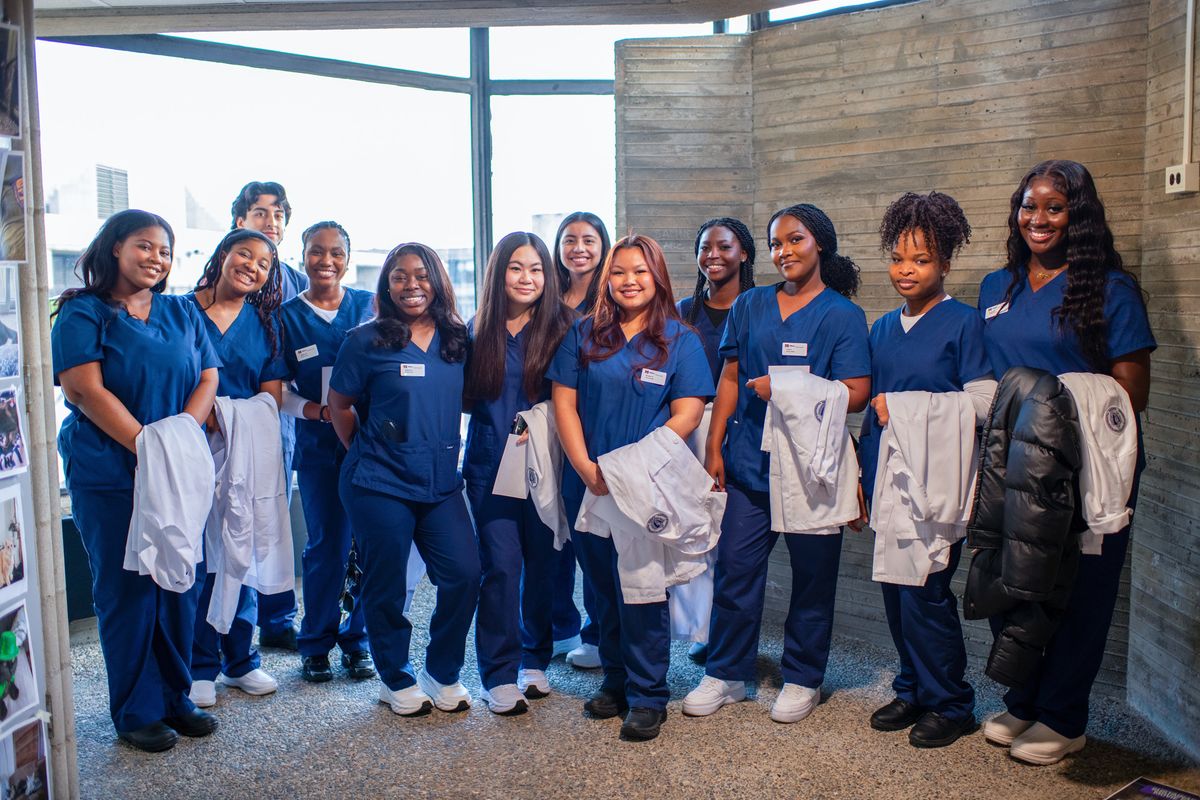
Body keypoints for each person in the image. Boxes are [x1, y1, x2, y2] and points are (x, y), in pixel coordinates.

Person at [976, 160, 1154, 765]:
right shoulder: (995, 288)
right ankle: (1024, 700)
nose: (1039, 218)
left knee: (1079, 595)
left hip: (1087, 470)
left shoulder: (1108, 289)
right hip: (1011, 467)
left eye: (1055, 207)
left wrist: (1052, 407)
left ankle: (1063, 716)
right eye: (1029, 206)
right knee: (1012, 581)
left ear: (1078, 215)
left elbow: (1129, 393)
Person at [683, 203, 870, 724]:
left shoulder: (844, 316)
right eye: (775, 243)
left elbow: (856, 393)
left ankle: (803, 677)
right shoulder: (751, 305)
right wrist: (714, 444)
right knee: (737, 573)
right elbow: (728, 375)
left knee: (813, 580)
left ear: (820, 245)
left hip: (814, 467)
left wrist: (785, 387)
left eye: (796, 240)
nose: (784, 251)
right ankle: (726, 674)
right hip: (748, 464)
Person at [52, 209, 220, 752]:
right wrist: (148, 446)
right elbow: (84, 390)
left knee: (176, 581)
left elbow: (209, 376)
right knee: (127, 589)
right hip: (110, 470)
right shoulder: (83, 312)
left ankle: (177, 697)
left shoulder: (181, 312)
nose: (157, 258)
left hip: (173, 468)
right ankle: (136, 710)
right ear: (116, 249)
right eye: (145, 246)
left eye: (165, 251)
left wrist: (177, 439)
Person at [548, 233, 714, 741]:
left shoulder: (679, 339)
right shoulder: (584, 334)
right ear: (607, 279)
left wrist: (635, 463)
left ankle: (648, 695)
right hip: (591, 484)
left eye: (640, 271)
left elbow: (689, 410)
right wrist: (583, 466)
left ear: (657, 276)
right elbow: (564, 403)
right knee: (602, 589)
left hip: (646, 487)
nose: (629, 281)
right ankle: (616, 681)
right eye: (619, 272)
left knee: (642, 590)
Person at [858, 191, 993, 748]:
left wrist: (908, 409)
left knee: (927, 590)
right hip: (889, 478)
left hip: (938, 483)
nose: (906, 270)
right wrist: (862, 483)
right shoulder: (883, 328)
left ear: (944, 263)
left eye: (921, 259)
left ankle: (951, 702)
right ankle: (912, 686)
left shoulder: (965, 323)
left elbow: (984, 402)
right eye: (898, 258)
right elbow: (873, 417)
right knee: (895, 588)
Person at [328, 242, 480, 717]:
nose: (410, 285)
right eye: (399, 276)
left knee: (464, 574)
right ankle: (394, 678)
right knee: (387, 583)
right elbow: (339, 406)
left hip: (439, 480)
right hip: (378, 481)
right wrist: (369, 451)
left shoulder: (458, 339)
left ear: (437, 279)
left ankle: (441, 671)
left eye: (420, 275)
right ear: (386, 283)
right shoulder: (365, 340)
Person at [464, 231, 574, 715]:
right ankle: (498, 673)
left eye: (535, 269)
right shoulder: (475, 330)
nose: (526, 278)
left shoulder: (566, 328)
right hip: (490, 467)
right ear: (498, 274)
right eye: (515, 268)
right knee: (502, 568)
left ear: (548, 276)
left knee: (544, 565)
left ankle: (535, 658)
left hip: (548, 464)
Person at [186, 228, 287, 708]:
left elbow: (271, 395)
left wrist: (230, 420)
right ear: (223, 254)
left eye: (264, 262)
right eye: (244, 254)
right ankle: (199, 664)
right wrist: (205, 418)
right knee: (202, 557)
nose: (253, 265)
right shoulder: (182, 312)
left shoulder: (265, 324)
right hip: (191, 447)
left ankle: (240, 661)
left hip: (242, 450)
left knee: (242, 547)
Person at [278, 221, 377, 684]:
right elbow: (277, 390)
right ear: (303, 256)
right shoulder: (286, 317)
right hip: (318, 448)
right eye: (316, 252)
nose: (326, 261)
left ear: (348, 258)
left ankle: (356, 642)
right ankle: (315, 642)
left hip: (368, 446)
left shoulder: (367, 306)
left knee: (366, 543)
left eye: (336, 252)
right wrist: (317, 411)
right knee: (326, 547)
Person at [676, 217, 757, 664]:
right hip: (686, 432)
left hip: (737, 430)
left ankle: (727, 636)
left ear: (744, 253)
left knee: (731, 541)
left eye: (724, 247)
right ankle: (703, 630)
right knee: (696, 535)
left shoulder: (757, 307)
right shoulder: (684, 310)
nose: (713, 256)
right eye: (705, 247)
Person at [230, 180, 307, 651]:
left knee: (274, 511)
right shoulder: (221, 273)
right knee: (237, 515)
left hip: (282, 409)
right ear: (240, 220)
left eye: (278, 214)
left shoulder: (296, 280)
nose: (271, 222)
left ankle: (279, 619)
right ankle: (237, 624)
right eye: (260, 213)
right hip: (234, 411)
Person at [549, 211, 612, 670]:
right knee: (550, 530)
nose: (578, 249)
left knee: (592, 531)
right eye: (569, 240)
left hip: (588, 425)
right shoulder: (545, 296)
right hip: (541, 421)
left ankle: (595, 633)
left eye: (588, 240)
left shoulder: (611, 299)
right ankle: (557, 626)